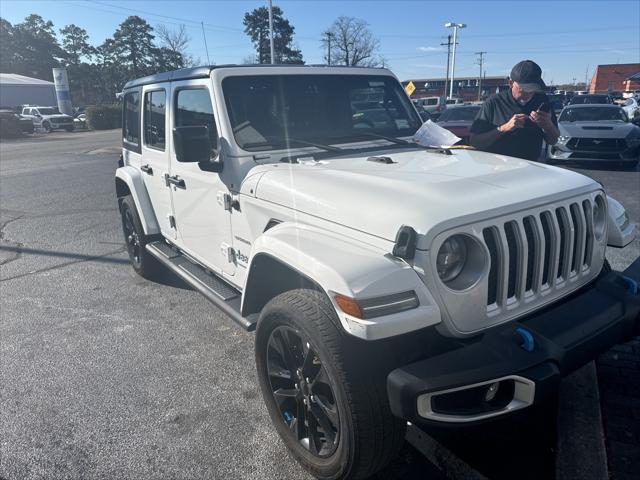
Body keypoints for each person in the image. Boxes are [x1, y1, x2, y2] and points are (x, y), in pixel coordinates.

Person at [470, 60, 559, 161]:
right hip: (499, 168)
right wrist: (504, 128)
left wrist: (548, 126)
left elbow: (553, 140)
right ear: (511, 83)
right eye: (524, 89)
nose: (529, 94)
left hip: (532, 168)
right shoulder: (494, 103)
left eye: (533, 89)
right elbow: (475, 141)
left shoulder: (541, 100)